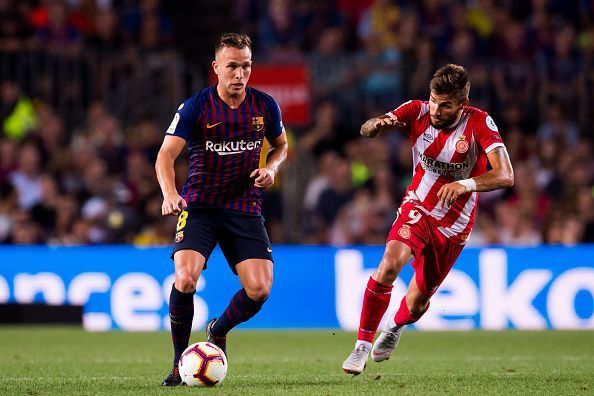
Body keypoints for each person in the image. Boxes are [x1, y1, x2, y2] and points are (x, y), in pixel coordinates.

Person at [342, 64, 514, 375]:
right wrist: (376, 125)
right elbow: (368, 128)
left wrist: (465, 184)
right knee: (390, 264)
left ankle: (395, 326)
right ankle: (361, 346)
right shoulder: (415, 111)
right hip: (418, 206)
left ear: (462, 104)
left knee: (419, 300)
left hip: (455, 223)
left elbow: (505, 174)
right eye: (434, 100)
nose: (436, 109)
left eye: (445, 104)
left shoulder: (478, 122)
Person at [155, 32, 288, 386]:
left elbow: (281, 146)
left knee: (260, 289)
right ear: (216, 68)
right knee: (185, 279)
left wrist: (271, 168)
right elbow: (165, 155)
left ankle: (218, 328)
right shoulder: (195, 107)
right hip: (199, 205)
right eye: (232, 66)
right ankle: (178, 363)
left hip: (245, 206)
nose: (239, 74)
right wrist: (170, 193)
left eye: (245, 66)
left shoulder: (265, 106)